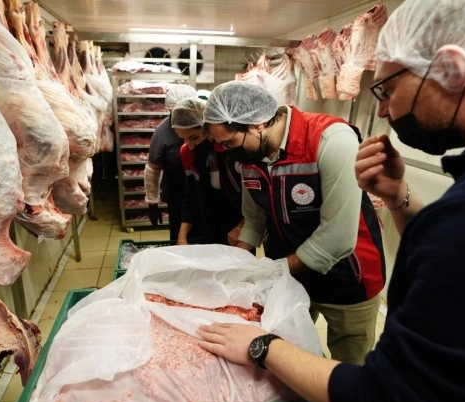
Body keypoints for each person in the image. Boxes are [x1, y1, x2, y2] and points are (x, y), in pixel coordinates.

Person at [197, 0, 465, 402]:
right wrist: (398, 196)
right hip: (294, 277)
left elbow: (384, 393)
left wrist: (263, 346)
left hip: (347, 279)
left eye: (386, 89)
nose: (384, 109)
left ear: (451, 69)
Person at [203, 80, 385, 365]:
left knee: (350, 367)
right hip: (292, 278)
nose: (226, 151)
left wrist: (271, 270)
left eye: (228, 143)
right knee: (293, 359)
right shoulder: (250, 154)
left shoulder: (331, 140)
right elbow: (255, 218)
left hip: (347, 277)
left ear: (256, 123)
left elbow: (336, 239)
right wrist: (236, 263)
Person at [171, 97, 246, 246]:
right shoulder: (187, 153)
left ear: (208, 128)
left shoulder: (231, 151)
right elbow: (191, 196)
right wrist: (182, 236)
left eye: (194, 138)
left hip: (239, 225)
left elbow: (256, 201)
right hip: (208, 225)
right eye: (183, 139)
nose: (190, 145)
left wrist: (241, 227)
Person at [144, 84, 197, 241]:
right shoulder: (162, 131)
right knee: (178, 234)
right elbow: (153, 168)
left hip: (201, 189)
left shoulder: (203, 124)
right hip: (176, 191)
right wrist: (152, 202)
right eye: (176, 112)